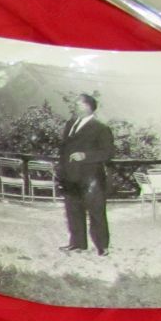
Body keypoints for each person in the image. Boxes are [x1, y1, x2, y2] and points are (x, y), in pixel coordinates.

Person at [58, 93, 114, 256]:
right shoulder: (70, 124)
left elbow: (108, 153)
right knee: (73, 210)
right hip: (70, 176)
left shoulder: (101, 128)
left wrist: (85, 156)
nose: (74, 106)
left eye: (78, 104)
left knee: (96, 212)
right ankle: (77, 244)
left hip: (91, 179)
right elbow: (64, 150)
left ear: (88, 107)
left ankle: (102, 246)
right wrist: (61, 170)